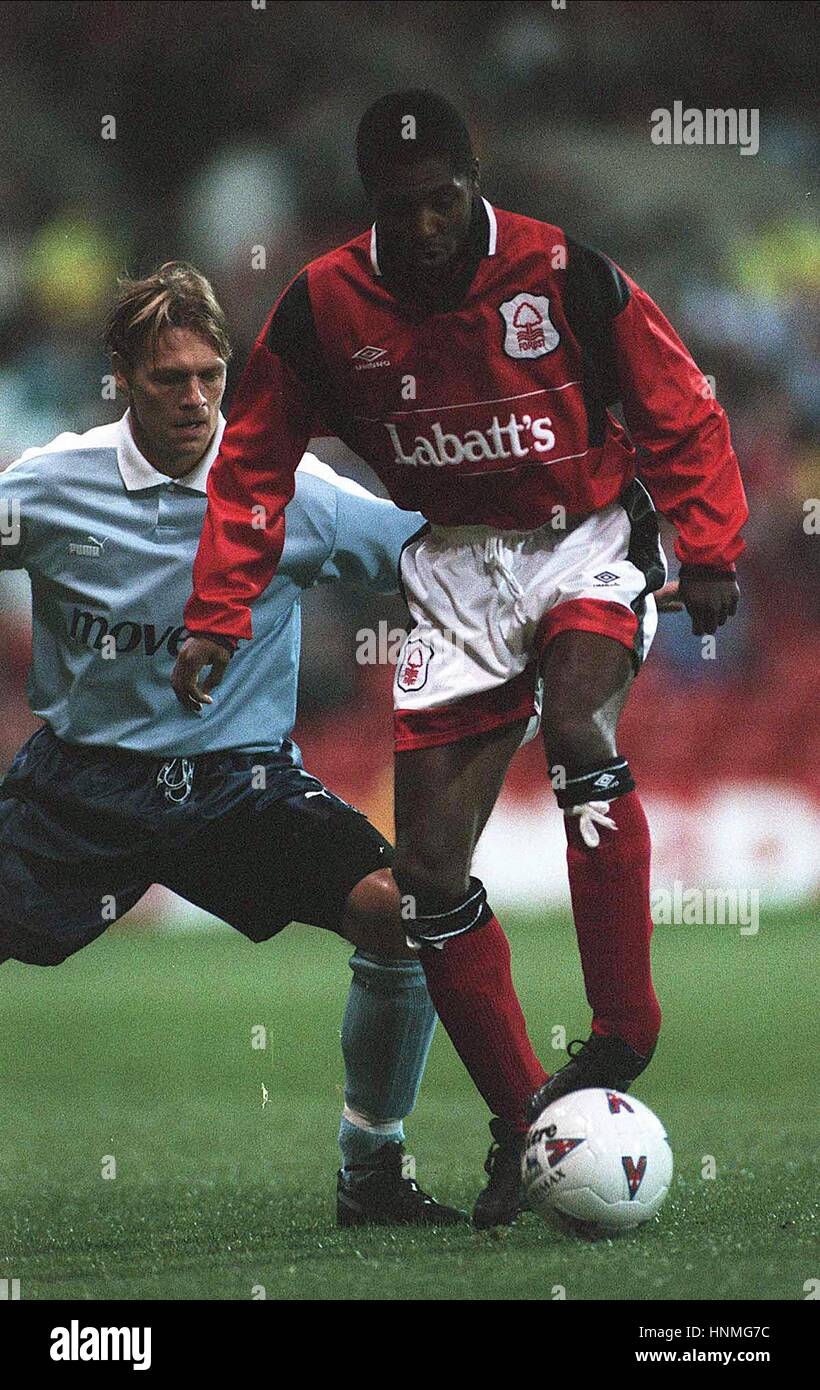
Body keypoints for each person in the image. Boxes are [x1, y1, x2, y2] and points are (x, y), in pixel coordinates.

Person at [173, 92, 748, 1229]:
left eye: (443, 200)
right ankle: (522, 1120)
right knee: (429, 876)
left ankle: (624, 1026)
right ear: (372, 207)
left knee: (582, 723)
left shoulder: (564, 271)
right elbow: (252, 467)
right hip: (451, 572)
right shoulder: (322, 307)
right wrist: (217, 611)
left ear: (470, 183)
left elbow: (679, 405)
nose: (427, 226)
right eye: (403, 208)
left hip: (584, 537)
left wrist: (714, 547)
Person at [0, 261, 465, 1229]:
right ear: (120, 376)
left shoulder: (294, 488)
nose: (198, 398)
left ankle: (370, 1168)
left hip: (235, 785)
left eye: (212, 374)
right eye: (171, 378)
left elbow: (430, 551)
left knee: (398, 911)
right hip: (79, 783)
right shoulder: (47, 488)